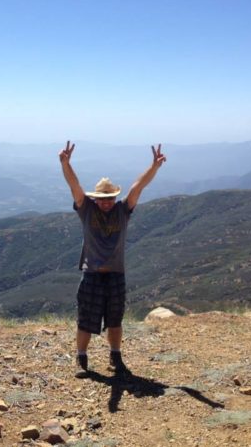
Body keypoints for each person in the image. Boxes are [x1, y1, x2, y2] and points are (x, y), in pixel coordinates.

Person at [59, 140, 167, 378]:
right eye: (102, 198)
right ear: (95, 198)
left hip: (116, 274)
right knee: (86, 319)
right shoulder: (86, 209)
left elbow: (137, 188)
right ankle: (81, 357)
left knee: (115, 319)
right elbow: (74, 185)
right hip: (92, 274)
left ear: (114, 198)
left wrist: (154, 167)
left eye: (109, 198)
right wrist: (66, 164)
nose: (106, 202)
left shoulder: (122, 211)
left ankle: (115, 355)